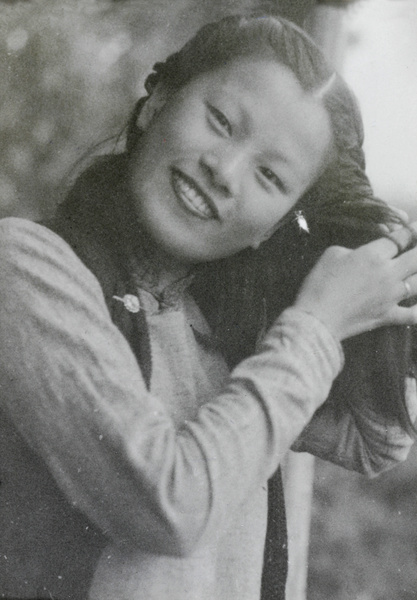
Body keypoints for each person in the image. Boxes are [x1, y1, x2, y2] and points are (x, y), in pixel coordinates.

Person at [1, 12, 417, 600]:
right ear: (157, 102)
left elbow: (378, 439)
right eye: (220, 121)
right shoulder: (28, 266)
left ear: (273, 227)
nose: (223, 170)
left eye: (270, 176)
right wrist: (317, 325)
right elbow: (168, 504)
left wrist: (381, 284)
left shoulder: (228, 331)